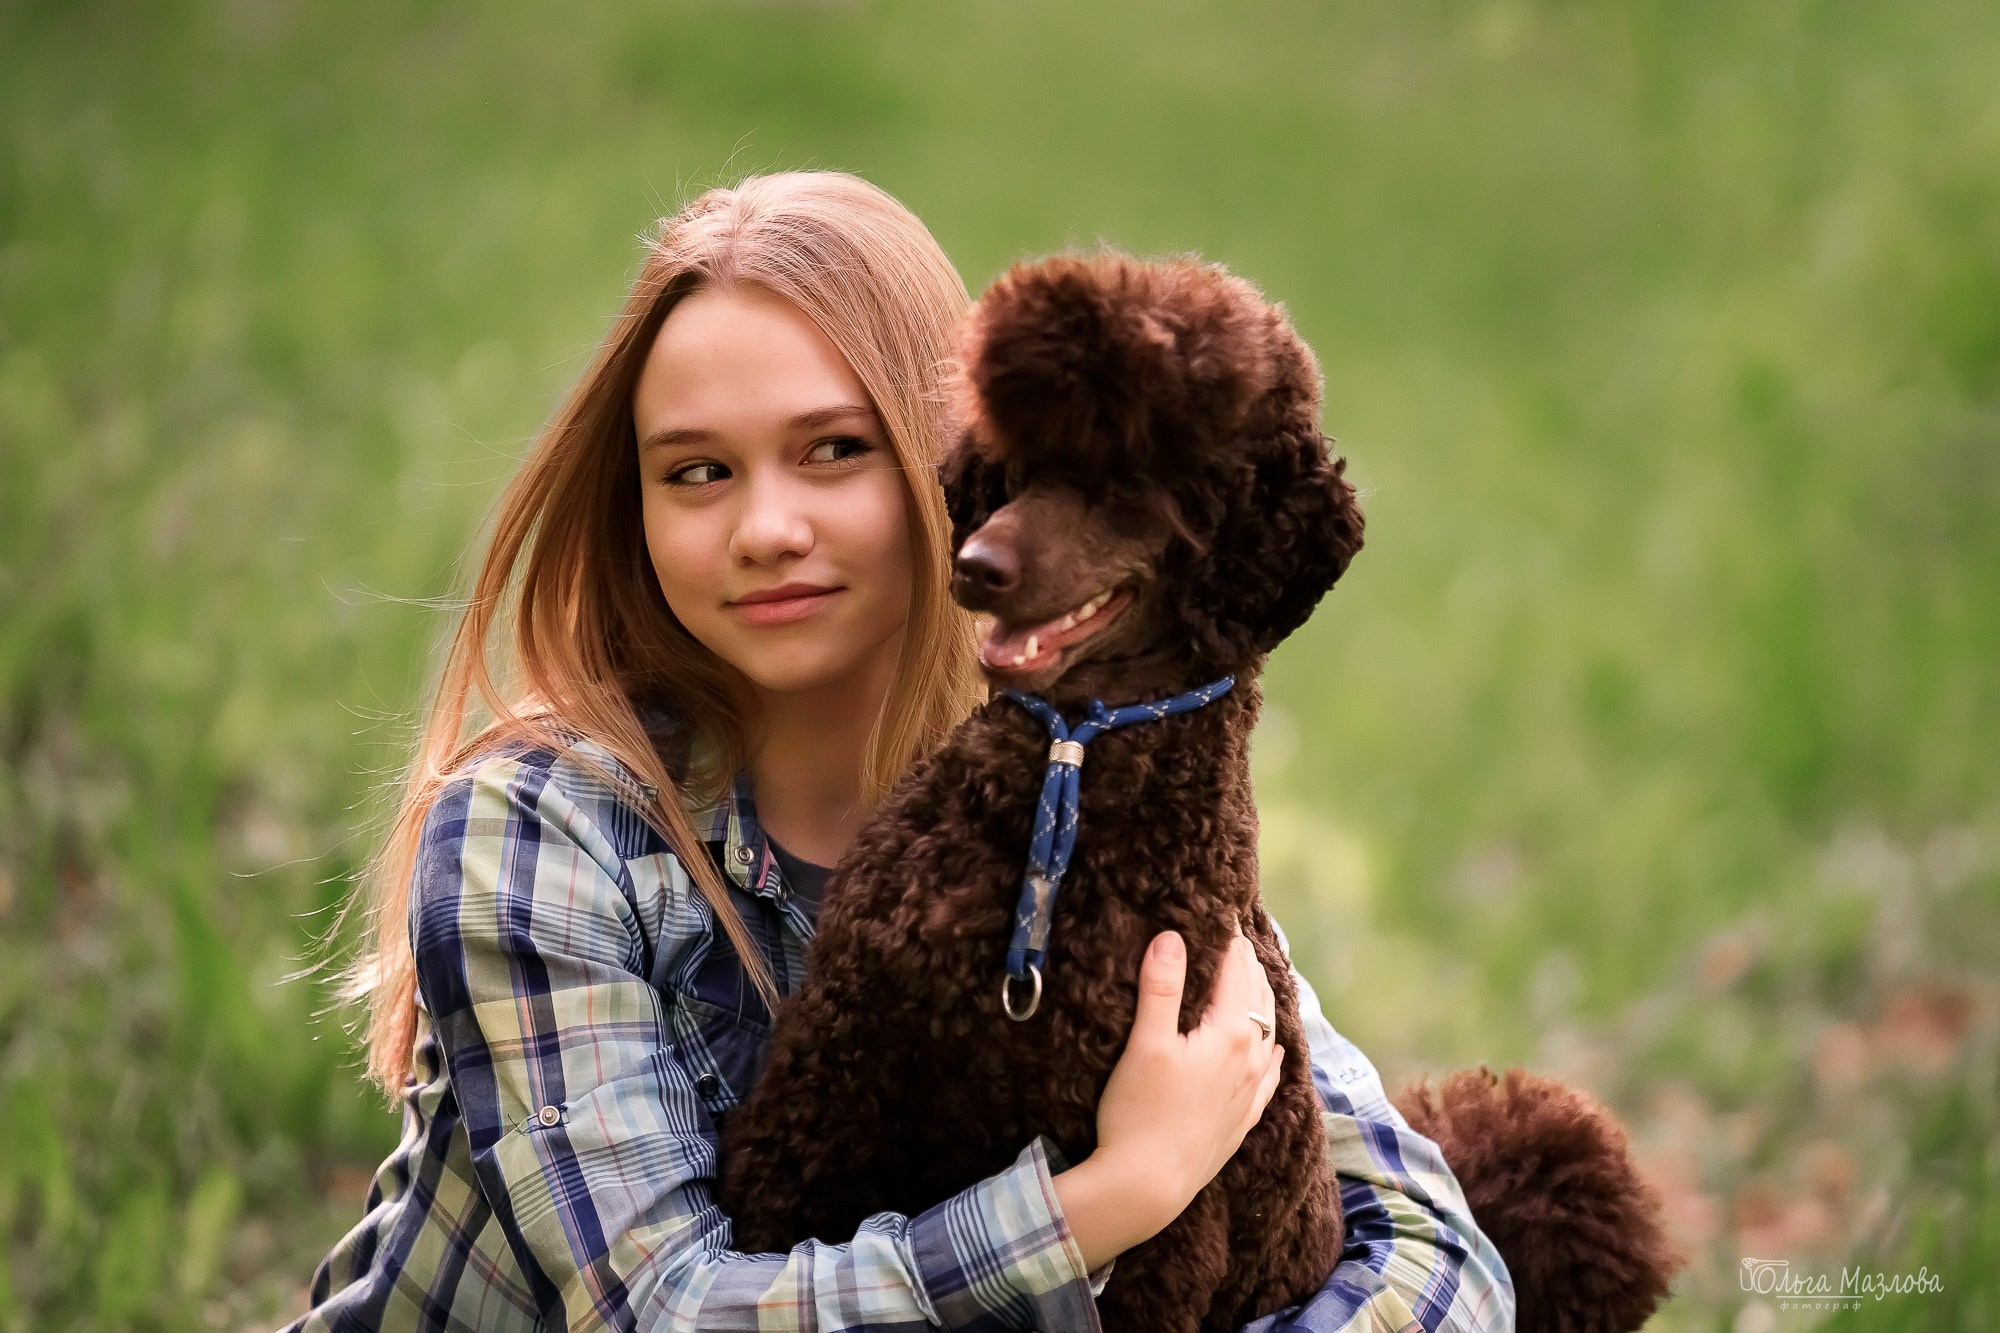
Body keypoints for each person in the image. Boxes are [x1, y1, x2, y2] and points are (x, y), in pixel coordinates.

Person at [288, 170, 1514, 1332]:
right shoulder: (551, 824)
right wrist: (1110, 1199)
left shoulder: (1068, 792)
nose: (767, 528)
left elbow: (1439, 1254)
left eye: (834, 450)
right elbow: (659, 1308)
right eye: (697, 472)